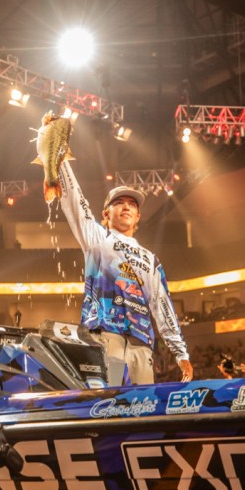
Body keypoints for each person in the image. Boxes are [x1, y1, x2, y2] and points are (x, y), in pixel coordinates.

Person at [57, 163, 192, 385]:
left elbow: (162, 304)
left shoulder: (150, 259)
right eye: (119, 203)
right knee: (106, 400)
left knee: (143, 403)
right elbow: (75, 200)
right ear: (106, 214)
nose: (126, 207)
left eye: (132, 204)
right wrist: (59, 160)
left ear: (138, 216)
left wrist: (181, 352)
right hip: (105, 335)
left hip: (141, 342)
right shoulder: (97, 238)